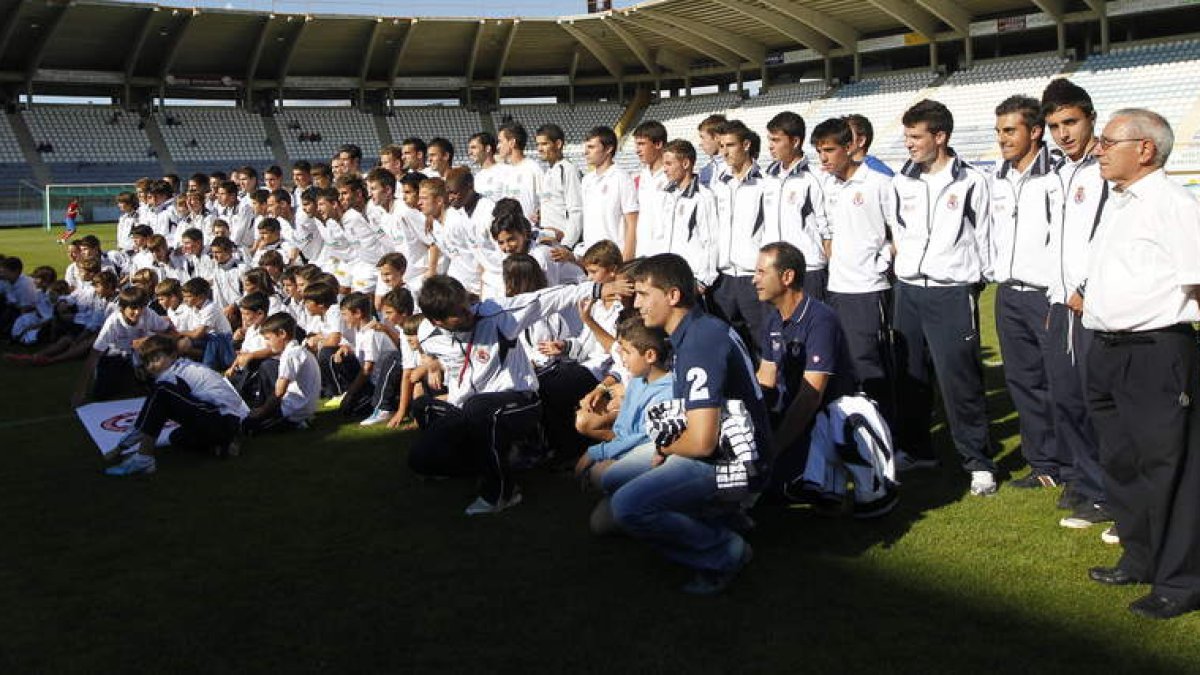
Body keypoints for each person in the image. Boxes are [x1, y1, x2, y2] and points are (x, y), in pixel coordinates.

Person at [1081, 108, 1200, 620]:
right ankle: (1141, 556)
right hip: (1107, 350)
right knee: (1121, 461)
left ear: (1145, 149)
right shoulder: (1122, 203)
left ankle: (1180, 581)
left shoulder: (1173, 203)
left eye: (1109, 141)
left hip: (1155, 353)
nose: (1098, 148)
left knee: (1168, 470)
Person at [601, 253, 767, 595]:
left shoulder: (700, 343)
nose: (638, 303)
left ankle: (724, 551)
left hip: (733, 463)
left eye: (646, 295)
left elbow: (704, 443)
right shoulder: (697, 330)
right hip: (726, 448)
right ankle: (722, 515)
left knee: (626, 507)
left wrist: (666, 447)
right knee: (612, 477)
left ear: (673, 296)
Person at [409, 272, 629, 515]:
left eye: (467, 304)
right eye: (458, 313)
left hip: (519, 401)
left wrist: (597, 290)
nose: (468, 313)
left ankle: (503, 492)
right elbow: (450, 365)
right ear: (438, 321)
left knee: (480, 410)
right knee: (422, 443)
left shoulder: (497, 314)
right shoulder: (427, 335)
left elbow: (545, 298)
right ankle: (498, 460)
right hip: (470, 407)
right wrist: (432, 366)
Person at [888, 99, 998, 496]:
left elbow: (985, 234)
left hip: (952, 292)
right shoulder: (902, 180)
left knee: (959, 379)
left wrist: (975, 279)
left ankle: (978, 462)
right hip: (909, 291)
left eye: (916, 137)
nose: (909, 145)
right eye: (906, 137)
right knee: (910, 377)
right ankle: (918, 451)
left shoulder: (973, 181)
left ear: (940, 136)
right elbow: (897, 231)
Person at [1039, 79, 1112, 533]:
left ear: (1090, 118)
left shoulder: (1106, 167)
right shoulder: (1058, 172)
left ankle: (1111, 492)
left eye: (1070, 122)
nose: (1063, 133)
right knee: (1066, 398)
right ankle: (1089, 485)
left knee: (1098, 401)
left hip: (1095, 303)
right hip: (1060, 301)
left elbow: (1108, 237)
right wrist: (1057, 290)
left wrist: (1088, 287)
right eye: (1054, 125)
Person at [988, 95, 1064, 491]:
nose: (1002, 138)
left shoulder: (1058, 176)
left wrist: (1059, 291)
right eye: (999, 131)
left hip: (1046, 295)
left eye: (1010, 130)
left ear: (1035, 132)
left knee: (1061, 381)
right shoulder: (998, 176)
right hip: (1008, 293)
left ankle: (1076, 462)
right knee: (1022, 381)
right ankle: (1044, 464)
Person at [752, 242, 857, 501]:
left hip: (824, 419)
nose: (754, 280)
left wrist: (774, 446)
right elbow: (764, 381)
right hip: (791, 414)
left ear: (787, 277)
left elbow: (811, 397)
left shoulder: (821, 320)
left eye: (761, 273)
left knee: (784, 488)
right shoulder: (773, 320)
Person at [812, 118, 895, 421]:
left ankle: (886, 432)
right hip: (837, 287)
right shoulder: (827, 185)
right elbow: (827, 227)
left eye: (830, 150)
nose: (824, 158)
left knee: (870, 365)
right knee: (843, 363)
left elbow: (898, 230)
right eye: (820, 151)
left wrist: (880, 263)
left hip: (868, 289)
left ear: (849, 147)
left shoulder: (878, 182)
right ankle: (853, 431)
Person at [104, 335, 249, 476]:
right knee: (176, 437)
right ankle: (225, 445)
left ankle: (143, 457)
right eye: (148, 362)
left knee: (162, 392)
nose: (152, 366)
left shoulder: (171, 377)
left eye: (156, 359)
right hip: (227, 420)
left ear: (173, 356)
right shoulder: (183, 367)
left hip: (223, 419)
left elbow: (146, 418)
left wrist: (120, 448)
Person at [575, 315, 674, 498]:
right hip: (629, 449)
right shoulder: (637, 380)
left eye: (627, 352)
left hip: (648, 454)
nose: (621, 357)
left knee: (600, 475)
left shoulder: (666, 393)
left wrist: (597, 452)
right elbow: (623, 430)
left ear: (650, 355)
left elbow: (642, 439)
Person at [709, 119, 770, 356]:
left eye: (730, 145)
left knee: (762, 342)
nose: (724, 152)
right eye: (722, 146)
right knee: (726, 345)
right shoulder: (717, 184)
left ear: (746, 145)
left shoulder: (764, 183)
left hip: (751, 276)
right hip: (723, 277)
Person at [763, 111, 830, 301]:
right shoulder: (769, 179)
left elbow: (827, 229)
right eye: (769, 140)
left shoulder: (815, 178)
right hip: (775, 270)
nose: (770, 146)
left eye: (776, 140)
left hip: (807, 271)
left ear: (795, 142)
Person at [71, 286, 174, 406]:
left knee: (150, 388)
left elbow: (170, 332)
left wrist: (149, 339)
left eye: (141, 307)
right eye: (133, 308)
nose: (138, 312)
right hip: (116, 356)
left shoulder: (148, 314)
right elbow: (94, 354)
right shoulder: (113, 323)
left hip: (143, 355)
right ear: (122, 308)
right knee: (102, 393)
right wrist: (80, 391)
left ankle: (146, 376)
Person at [654, 139, 719, 291]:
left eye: (669, 164)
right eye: (664, 164)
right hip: (666, 277)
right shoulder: (666, 194)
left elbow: (710, 240)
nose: (664, 169)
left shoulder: (703, 197)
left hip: (689, 279)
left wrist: (703, 281)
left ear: (685, 164)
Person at [243, 312, 321, 434]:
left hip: (293, 411)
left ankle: (297, 423)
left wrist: (261, 412)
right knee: (266, 365)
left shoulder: (290, 355)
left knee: (247, 425)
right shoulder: (299, 350)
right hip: (304, 407)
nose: (266, 344)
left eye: (268, 339)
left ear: (282, 334)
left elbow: (279, 392)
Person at [579, 126, 639, 259]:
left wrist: (627, 258)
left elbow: (632, 221)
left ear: (608, 149)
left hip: (613, 256)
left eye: (591, 147)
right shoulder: (587, 180)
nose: (586, 152)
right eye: (586, 147)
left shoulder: (621, 178)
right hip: (590, 255)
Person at [534, 123, 584, 248]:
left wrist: (567, 245)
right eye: (538, 144)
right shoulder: (548, 172)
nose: (539, 148)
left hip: (562, 244)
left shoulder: (568, 170)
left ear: (558, 144)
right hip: (548, 240)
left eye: (544, 144)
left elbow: (576, 211)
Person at [632, 120, 670, 257]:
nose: (637, 150)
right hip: (642, 252)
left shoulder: (672, 177)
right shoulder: (641, 176)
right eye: (636, 144)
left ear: (658, 144)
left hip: (665, 253)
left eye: (641, 144)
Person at [496, 121, 541, 221]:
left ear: (512, 142)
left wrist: (540, 213)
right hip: (507, 230)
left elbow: (546, 199)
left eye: (500, 141)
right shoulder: (502, 170)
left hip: (528, 231)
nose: (498, 146)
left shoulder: (533, 168)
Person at [696, 113, 729, 186]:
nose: (700, 143)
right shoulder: (704, 171)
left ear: (716, 137)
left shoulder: (735, 168)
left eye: (703, 138)